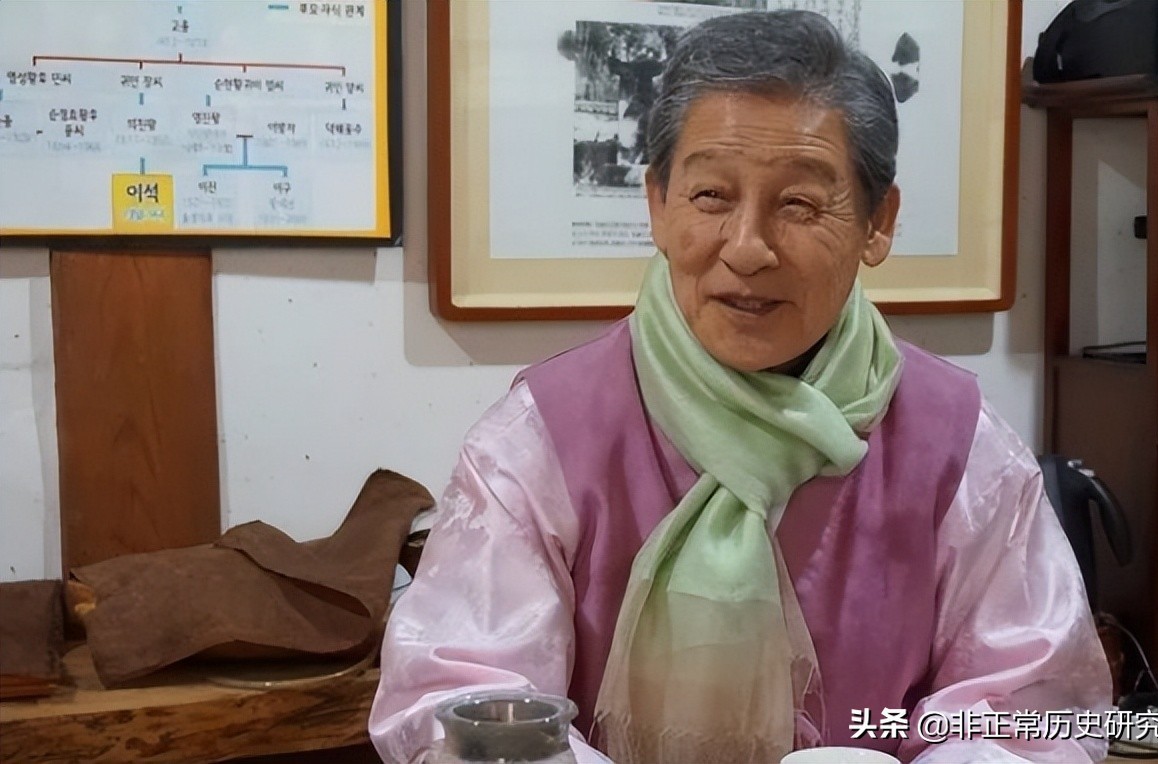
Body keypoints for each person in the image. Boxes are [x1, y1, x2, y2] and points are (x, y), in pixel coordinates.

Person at [371, 10, 1111, 764]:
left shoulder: (958, 446)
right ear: (658, 204)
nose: (749, 248)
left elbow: (1034, 711)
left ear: (878, 223)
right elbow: (462, 708)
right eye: (711, 196)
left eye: (799, 204)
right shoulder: (542, 439)